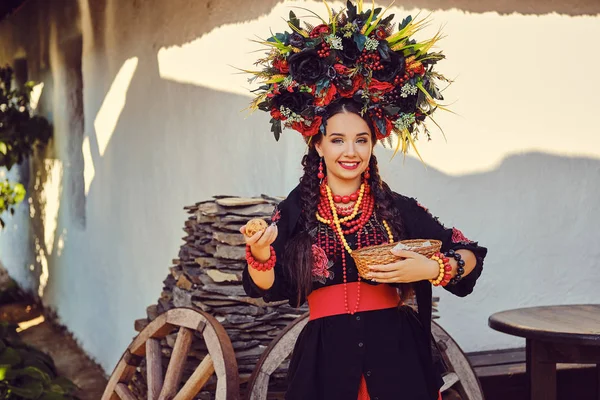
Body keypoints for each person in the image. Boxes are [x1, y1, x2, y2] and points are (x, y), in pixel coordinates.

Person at [241, 3, 487, 399]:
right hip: (324, 365)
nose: (350, 151)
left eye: (361, 140)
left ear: (373, 145)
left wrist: (433, 267)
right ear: (318, 145)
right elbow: (266, 287)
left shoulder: (398, 208)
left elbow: (470, 254)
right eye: (337, 140)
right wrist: (260, 253)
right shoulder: (296, 211)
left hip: (398, 360)